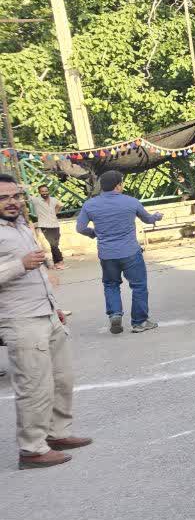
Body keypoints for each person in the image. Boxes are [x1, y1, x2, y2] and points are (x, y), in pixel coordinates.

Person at [0, 173, 91, 470]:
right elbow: (24, 267)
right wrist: (19, 265)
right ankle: (32, 449)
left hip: (46, 313)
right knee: (34, 386)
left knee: (62, 379)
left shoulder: (22, 225)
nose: (12, 202)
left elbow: (38, 272)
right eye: (3, 198)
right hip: (20, 319)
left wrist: (55, 306)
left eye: (15, 196)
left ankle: (57, 433)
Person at [76, 170, 163, 334]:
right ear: (118, 185)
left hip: (107, 255)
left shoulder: (90, 204)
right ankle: (139, 322)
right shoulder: (131, 202)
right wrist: (157, 216)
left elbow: (80, 228)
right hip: (130, 252)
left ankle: (115, 314)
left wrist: (94, 233)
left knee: (111, 285)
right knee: (138, 286)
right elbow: (148, 219)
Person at [31, 185, 65, 270]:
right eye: (42, 191)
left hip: (55, 225)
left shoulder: (53, 199)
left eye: (46, 191)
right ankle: (59, 262)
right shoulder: (36, 200)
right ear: (39, 192)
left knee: (55, 244)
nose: (44, 193)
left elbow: (60, 205)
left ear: (48, 191)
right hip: (44, 225)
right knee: (53, 243)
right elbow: (26, 197)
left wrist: (55, 213)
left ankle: (57, 263)